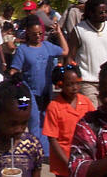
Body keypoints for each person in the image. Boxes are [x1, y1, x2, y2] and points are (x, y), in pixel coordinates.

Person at [10, 15, 69, 157]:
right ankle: (35, 151)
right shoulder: (23, 50)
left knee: (46, 122)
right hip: (28, 92)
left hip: (46, 92)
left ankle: (45, 152)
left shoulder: (48, 47)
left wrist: (60, 33)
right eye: (34, 34)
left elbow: (65, 51)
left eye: (40, 34)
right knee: (33, 120)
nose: (38, 36)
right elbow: (14, 69)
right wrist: (15, 76)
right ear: (28, 34)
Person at [66, 0, 107, 108]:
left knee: (106, 113)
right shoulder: (79, 30)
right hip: (86, 82)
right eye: (101, 12)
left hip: (106, 81)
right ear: (91, 13)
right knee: (91, 112)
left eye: (106, 12)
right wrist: (68, 78)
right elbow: (70, 56)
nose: (105, 15)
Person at [42, 64, 95, 177]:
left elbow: (95, 126)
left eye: (77, 83)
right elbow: (52, 139)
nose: (75, 87)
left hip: (83, 157)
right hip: (63, 159)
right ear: (60, 85)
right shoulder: (54, 107)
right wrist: (68, 162)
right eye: (70, 84)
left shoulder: (86, 102)